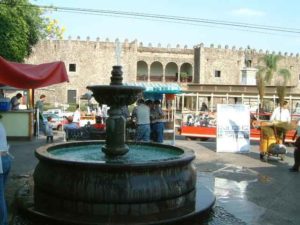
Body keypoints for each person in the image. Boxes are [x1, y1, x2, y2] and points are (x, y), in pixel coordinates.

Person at [0, 115, 12, 225]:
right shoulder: (1, 125)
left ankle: (3, 221)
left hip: (1, 161)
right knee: (1, 193)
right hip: (6, 159)